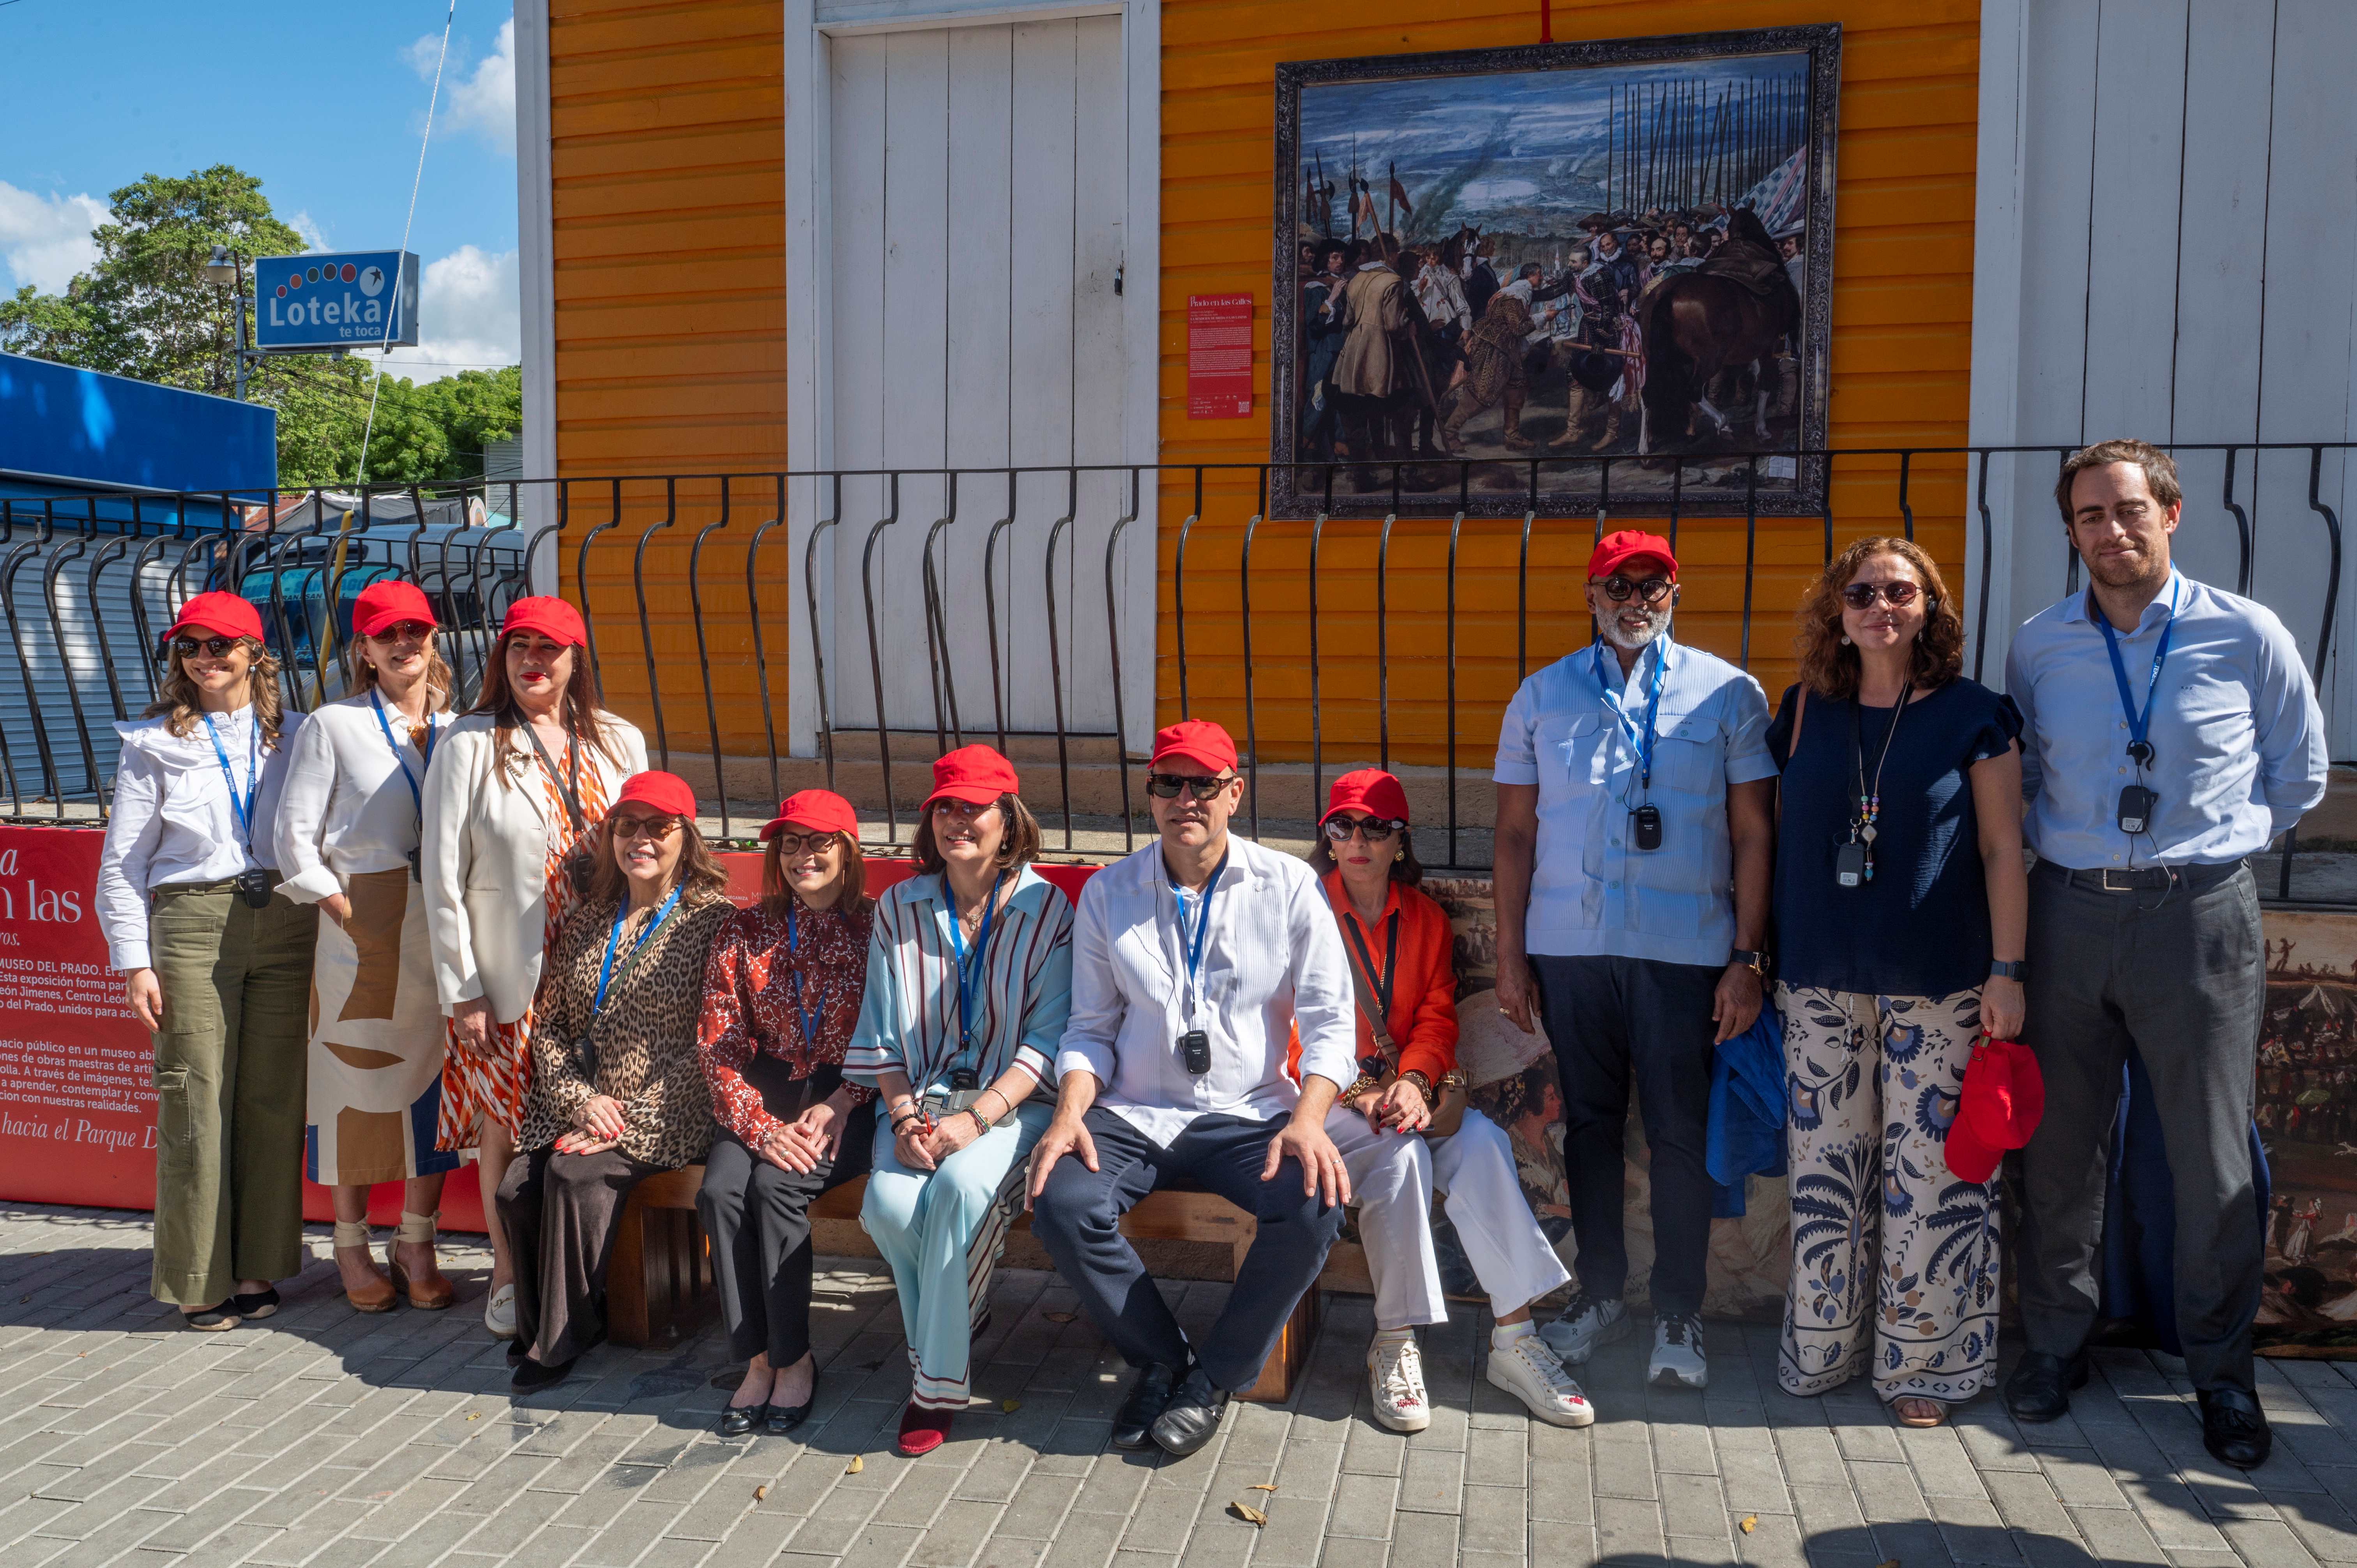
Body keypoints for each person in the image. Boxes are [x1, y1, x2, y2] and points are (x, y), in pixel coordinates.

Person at [2004, 439, 2328, 1469]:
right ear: (2071, 532)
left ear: (2172, 514)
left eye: (2130, 510)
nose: (2112, 530)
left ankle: (2221, 1379)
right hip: (2067, 915)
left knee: (2211, 1160)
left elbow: (2302, 774)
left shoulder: (2247, 633)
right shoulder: (2041, 645)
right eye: (2090, 516)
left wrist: (2212, 851)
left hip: (2199, 919)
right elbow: (2027, 784)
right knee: (2060, 1154)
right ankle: (2056, 1345)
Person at [1027, 720, 1359, 1458]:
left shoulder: (1289, 885)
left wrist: (1308, 1120)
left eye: (1203, 784)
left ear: (1234, 794)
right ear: (1150, 797)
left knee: (1313, 1205)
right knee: (1061, 1199)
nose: (1186, 800)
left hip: (1249, 1113)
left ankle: (1213, 1379)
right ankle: (1164, 1358)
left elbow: (1334, 1025)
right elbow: (1088, 1027)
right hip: (1136, 1110)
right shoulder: (1110, 893)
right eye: (1168, 784)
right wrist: (1069, 1113)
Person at [1492, 531, 1776, 1390]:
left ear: (1675, 594)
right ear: (1590, 595)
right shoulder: (1540, 697)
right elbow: (1513, 831)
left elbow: (1755, 831)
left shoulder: (1729, 693)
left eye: (1654, 585)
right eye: (1619, 584)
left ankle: (1679, 1308)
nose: (1636, 598)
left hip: (1684, 954)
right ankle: (1601, 1293)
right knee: (1591, 1125)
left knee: (1681, 1136)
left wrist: (1748, 959)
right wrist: (1510, 954)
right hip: (1572, 951)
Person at [1766, 538, 2028, 1427]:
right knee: (1825, 1175)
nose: (1880, 605)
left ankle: (1927, 1365)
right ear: (1836, 611)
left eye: (1900, 591)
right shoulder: (1802, 709)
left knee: (1935, 1180)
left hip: (1941, 982)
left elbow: (2002, 849)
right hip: (1819, 982)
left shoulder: (1975, 715)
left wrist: (2008, 969)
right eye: (1862, 592)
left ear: (1930, 607)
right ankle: (1824, 1344)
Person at [1310, 770, 1590, 1431]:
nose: (1358, 840)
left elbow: (1438, 1018)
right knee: (1402, 1156)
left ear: (1400, 842)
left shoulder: (1426, 920)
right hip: (1321, 1099)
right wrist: (1362, 1093)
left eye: (1376, 828)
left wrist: (1413, 1080)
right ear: (1326, 837)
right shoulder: (1302, 910)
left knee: (1485, 1145)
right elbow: (1284, 1025)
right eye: (1342, 826)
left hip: (1404, 1094)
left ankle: (1515, 1341)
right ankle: (1395, 1340)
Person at [423, 596, 650, 1341]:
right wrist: (464, 989)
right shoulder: (469, 742)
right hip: (507, 972)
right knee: (506, 1124)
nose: (533, 662)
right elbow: (442, 878)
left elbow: (650, 848)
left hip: (600, 965)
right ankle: (509, 1271)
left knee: (588, 1115)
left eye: (550, 650)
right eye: (519, 647)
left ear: (576, 659)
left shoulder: (618, 741)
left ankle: (583, 1274)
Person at [98, 591, 317, 1330]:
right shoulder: (152, 744)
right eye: (190, 647)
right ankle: (199, 1275)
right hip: (192, 927)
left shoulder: (298, 737)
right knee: (196, 1097)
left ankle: (256, 1264)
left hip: (286, 923)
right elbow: (122, 868)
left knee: (272, 1097)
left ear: (256, 655)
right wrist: (135, 962)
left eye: (221, 646)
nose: (205, 659)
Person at [847, 747, 1074, 1457]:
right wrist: (907, 1116)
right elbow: (882, 1031)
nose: (957, 820)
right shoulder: (899, 904)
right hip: (921, 1100)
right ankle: (956, 1318)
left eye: (974, 807)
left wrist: (976, 1119)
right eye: (945, 807)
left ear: (1009, 822)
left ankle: (934, 1386)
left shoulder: (1047, 910)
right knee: (884, 1207)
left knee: (957, 1189)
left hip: (1014, 1106)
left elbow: (1048, 1039)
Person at [495, 772, 734, 1392]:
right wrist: (583, 1102)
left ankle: (559, 1340)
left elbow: (715, 1045)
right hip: (587, 1110)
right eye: (628, 826)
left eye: (660, 827)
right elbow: (549, 1032)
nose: (642, 839)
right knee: (518, 1187)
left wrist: (626, 1117)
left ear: (688, 838)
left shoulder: (713, 923)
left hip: (671, 1110)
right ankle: (548, 1324)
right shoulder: (588, 923)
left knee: (575, 1177)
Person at [274, 579, 461, 1313]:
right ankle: (349, 1244)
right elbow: (294, 836)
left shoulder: (460, 726)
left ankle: (417, 1240)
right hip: (363, 916)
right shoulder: (334, 724)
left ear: (434, 639)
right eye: (387, 634)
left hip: (441, 919)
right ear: (364, 648)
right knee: (352, 1085)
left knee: (434, 1083)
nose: (403, 644)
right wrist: (341, 905)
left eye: (415, 631)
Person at [697, 789, 877, 1436]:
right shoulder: (746, 929)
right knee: (721, 1191)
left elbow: (897, 1036)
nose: (803, 856)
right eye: (791, 843)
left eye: (819, 842)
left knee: (776, 1188)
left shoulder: (878, 929)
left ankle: (794, 1358)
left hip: (847, 1096)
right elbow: (717, 1045)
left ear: (848, 852)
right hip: (761, 1090)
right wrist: (760, 1124)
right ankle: (756, 1361)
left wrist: (847, 1099)